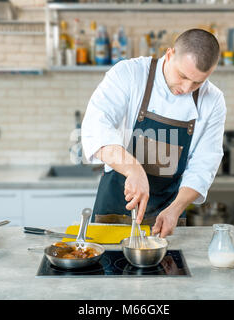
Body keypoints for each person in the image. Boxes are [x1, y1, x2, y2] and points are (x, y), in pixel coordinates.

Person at [81, 28, 226, 238]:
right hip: (114, 206)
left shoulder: (213, 100)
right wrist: (133, 169)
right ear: (169, 55)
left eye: (197, 82)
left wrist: (176, 209)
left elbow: (204, 165)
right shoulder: (129, 74)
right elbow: (96, 127)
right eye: (183, 76)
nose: (186, 88)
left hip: (167, 212)